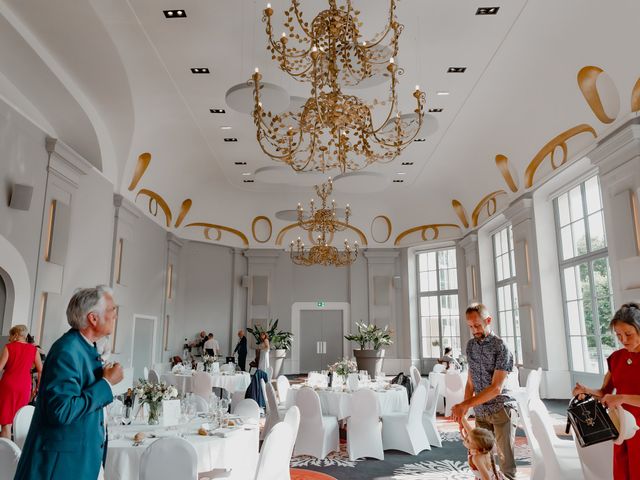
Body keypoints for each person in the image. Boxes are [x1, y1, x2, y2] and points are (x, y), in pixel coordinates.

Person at [14, 285, 124, 479]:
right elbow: (62, 411)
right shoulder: (67, 351)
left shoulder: (86, 348)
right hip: (59, 467)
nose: (115, 315)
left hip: (78, 460)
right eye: (111, 309)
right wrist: (106, 383)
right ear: (93, 318)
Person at [573, 303, 640, 479]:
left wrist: (622, 398)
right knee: (623, 472)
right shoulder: (616, 358)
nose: (624, 340)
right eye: (619, 335)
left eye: (628, 334)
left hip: (638, 426)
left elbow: (617, 396)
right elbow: (605, 392)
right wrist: (586, 390)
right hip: (622, 426)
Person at [451, 303, 517, 480]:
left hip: (501, 409)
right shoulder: (470, 346)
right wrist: (464, 413)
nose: (474, 330)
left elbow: (496, 388)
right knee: (483, 461)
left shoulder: (501, 347)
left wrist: (464, 404)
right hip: (481, 411)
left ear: (488, 320)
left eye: (478, 325)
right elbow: (470, 382)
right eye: (471, 326)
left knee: (505, 464)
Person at [0, 325, 42, 438]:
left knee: (6, 423)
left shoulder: (9, 347)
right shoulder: (33, 350)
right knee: (18, 421)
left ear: (16, 334)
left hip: (8, 385)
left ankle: (4, 454)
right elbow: (41, 370)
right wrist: (38, 387)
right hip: (24, 386)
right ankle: (17, 453)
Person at [459, 414, 504, 479]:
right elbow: (470, 431)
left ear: (477, 449)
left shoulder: (476, 458)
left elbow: (486, 478)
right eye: (467, 436)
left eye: (468, 441)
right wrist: (461, 417)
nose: (465, 438)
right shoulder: (483, 448)